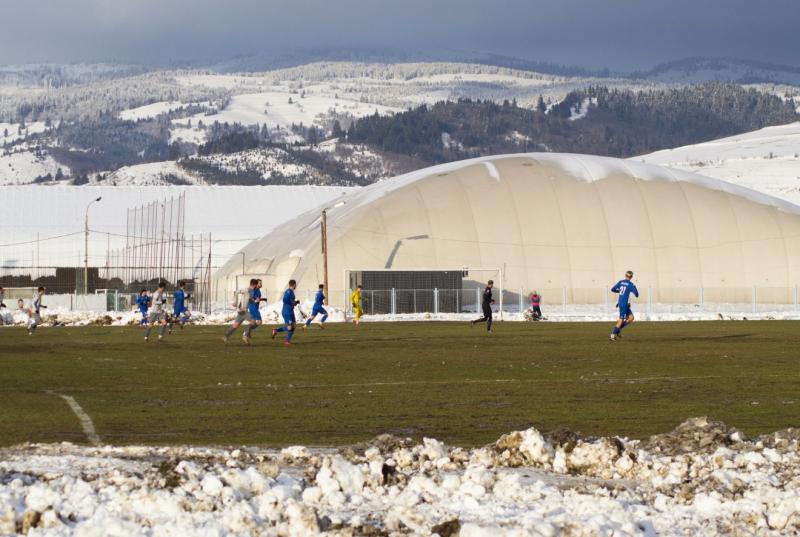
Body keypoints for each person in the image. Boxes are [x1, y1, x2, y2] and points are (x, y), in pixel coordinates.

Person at [223, 279, 257, 344]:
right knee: (253, 322)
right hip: (243, 310)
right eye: (257, 284)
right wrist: (235, 302)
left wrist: (254, 301)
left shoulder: (252, 291)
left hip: (241, 311)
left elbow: (249, 299)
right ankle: (245, 335)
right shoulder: (247, 290)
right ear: (255, 285)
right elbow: (236, 292)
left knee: (235, 325)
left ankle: (226, 336)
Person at [610, 270, 639, 341]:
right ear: (631, 277)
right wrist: (635, 287)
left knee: (631, 318)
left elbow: (612, 289)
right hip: (624, 304)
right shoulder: (630, 284)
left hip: (622, 303)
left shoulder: (620, 282)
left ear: (625, 275)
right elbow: (637, 295)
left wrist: (619, 291)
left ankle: (618, 329)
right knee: (621, 320)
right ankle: (613, 334)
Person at [272, 279, 300, 345]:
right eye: (295, 285)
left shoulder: (292, 292)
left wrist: (295, 302)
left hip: (291, 311)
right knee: (290, 327)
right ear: (294, 285)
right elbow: (285, 300)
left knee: (293, 326)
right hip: (287, 311)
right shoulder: (288, 291)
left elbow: (290, 302)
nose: (296, 286)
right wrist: (292, 302)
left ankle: (287, 340)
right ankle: (276, 331)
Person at [243, 279, 266, 344]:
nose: (261, 284)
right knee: (259, 321)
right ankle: (246, 332)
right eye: (260, 283)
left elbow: (256, 298)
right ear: (256, 284)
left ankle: (247, 332)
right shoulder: (254, 289)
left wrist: (262, 299)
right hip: (253, 307)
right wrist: (254, 300)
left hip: (254, 307)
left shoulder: (258, 290)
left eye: (261, 283)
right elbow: (250, 297)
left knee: (253, 322)